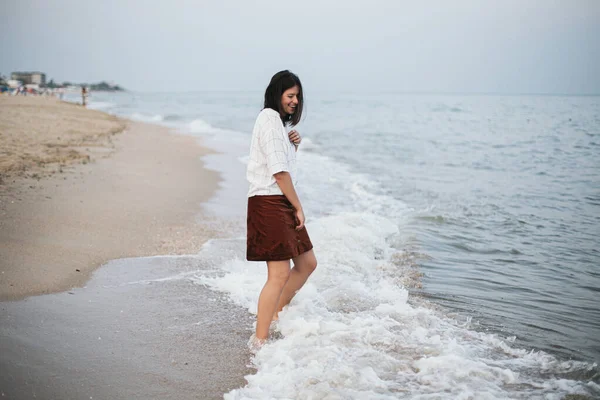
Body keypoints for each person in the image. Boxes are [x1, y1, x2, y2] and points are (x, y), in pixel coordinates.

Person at [246, 70, 318, 350]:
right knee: (277, 275)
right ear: (277, 95)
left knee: (307, 264)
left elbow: (279, 162)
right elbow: (278, 173)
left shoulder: (277, 125)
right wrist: (298, 206)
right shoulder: (268, 119)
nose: (296, 101)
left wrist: (292, 146)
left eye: (298, 96)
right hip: (269, 203)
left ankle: (276, 313)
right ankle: (259, 340)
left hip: (278, 202)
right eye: (290, 96)